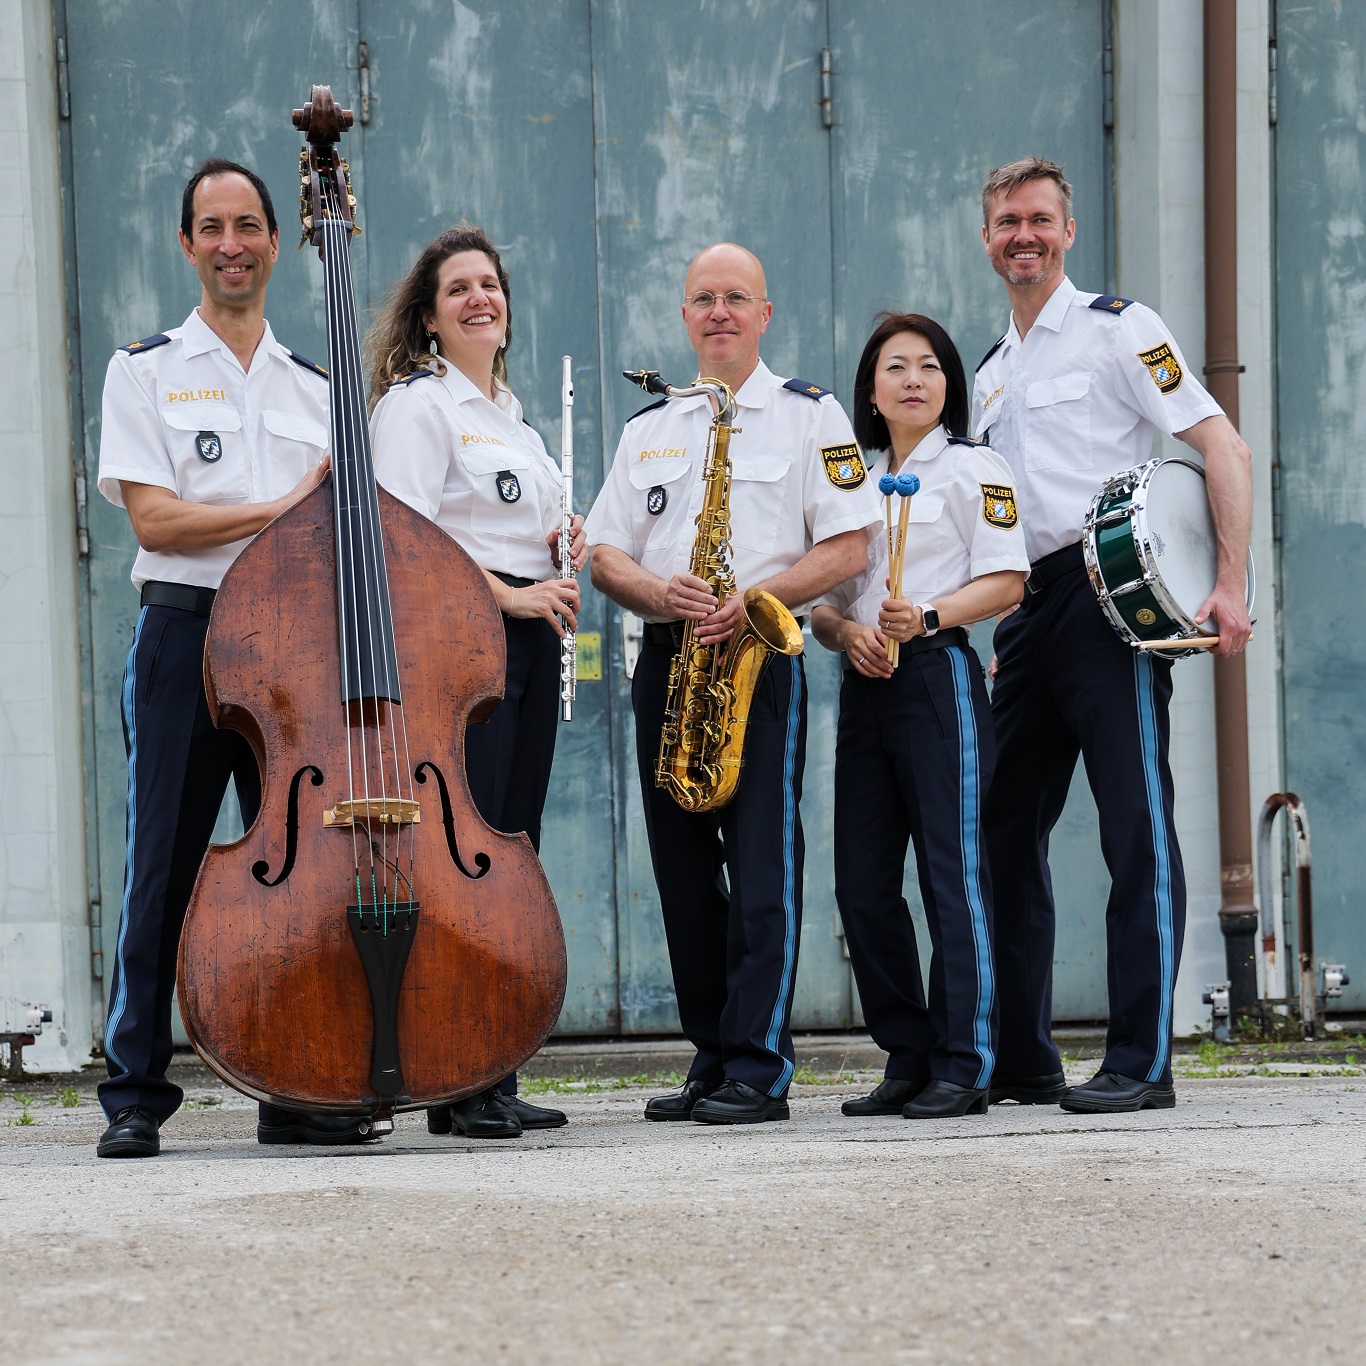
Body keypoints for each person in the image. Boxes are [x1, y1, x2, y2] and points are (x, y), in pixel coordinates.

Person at [94, 158, 377, 1157]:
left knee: (296, 874)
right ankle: (134, 1086)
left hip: (294, 650)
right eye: (210, 227)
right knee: (160, 865)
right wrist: (283, 506)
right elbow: (160, 522)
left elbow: (350, 534)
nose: (230, 244)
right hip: (185, 637)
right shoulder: (145, 370)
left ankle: (294, 1084)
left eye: (248, 225)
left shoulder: (321, 384)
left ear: (271, 241)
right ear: (186, 244)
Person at [972, 156, 1253, 1113]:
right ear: (987, 239)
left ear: (1068, 231)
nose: (1025, 235)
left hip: (1106, 599)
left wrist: (1228, 582)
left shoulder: (1119, 330)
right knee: (1003, 832)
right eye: (1008, 220)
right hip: (1028, 614)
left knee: (1134, 828)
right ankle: (1023, 1056)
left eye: (1040, 219)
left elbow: (1220, 443)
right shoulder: (990, 376)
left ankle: (1141, 1061)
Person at [587, 242, 881, 1124]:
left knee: (761, 867)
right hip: (670, 655)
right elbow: (601, 553)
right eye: (702, 298)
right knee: (681, 877)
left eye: (735, 298)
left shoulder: (810, 416)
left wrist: (756, 597)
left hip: (757, 653)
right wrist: (654, 590)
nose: (718, 312)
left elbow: (850, 545)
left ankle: (761, 1062)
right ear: (685, 316)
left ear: (764, 315)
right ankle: (713, 1055)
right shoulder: (651, 429)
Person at [367, 225, 585, 1140]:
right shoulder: (419, 408)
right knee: (466, 867)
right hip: (467, 645)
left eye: (489, 284)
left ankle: (489, 1067)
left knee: (506, 857)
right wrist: (514, 592)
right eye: (457, 288)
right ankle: (455, 1080)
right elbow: (403, 541)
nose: (478, 299)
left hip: (528, 640)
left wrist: (559, 545)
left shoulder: (516, 418)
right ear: (429, 316)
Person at [812, 313, 1028, 1119]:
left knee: (953, 875)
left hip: (939, 682)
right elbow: (826, 609)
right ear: (870, 389)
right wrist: (850, 633)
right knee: (863, 885)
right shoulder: (851, 484)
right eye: (895, 366)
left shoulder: (977, 469)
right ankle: (907, 1052)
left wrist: (929, 617)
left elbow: (1007, 581)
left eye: (930, 366)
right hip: (866, 690)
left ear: (948, 386)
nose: (913, 379)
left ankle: (965, 1060)